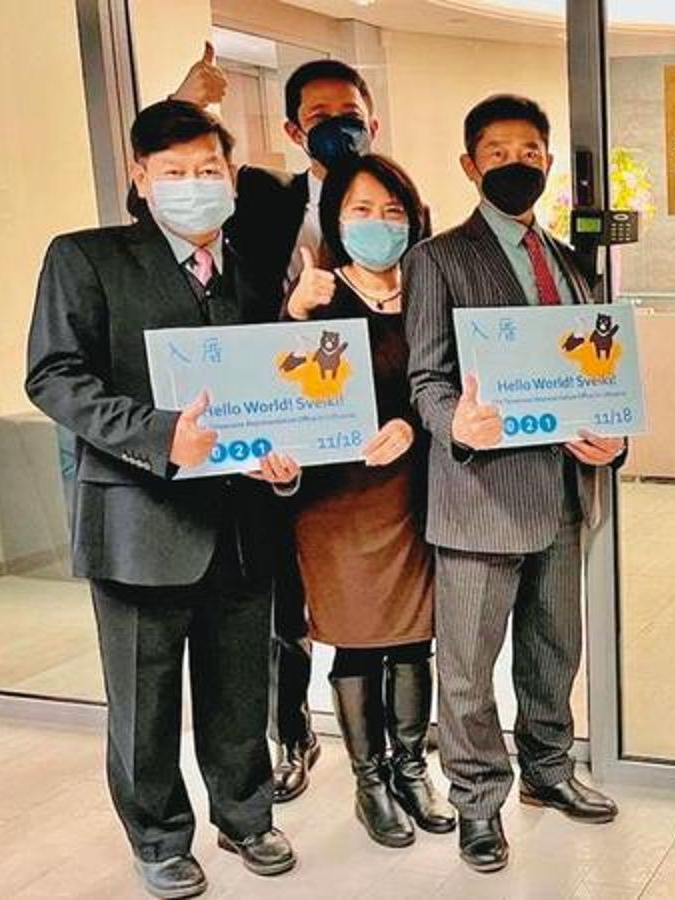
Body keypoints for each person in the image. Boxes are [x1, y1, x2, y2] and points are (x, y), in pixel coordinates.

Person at [25, 100, 301, 899]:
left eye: (208, 169)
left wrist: (286, 461)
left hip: (243, 522)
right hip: (138, 521)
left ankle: (246, 815)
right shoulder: (86, 258)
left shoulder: (255, 268)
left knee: (239, 687)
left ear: (232, 178)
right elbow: (54, 376)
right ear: (139, 179)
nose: (193, 184)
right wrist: (158, 435)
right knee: (145, 700)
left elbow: (277, 385)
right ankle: (158, 836)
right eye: (173, 171)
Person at [404, 93, 626, 874]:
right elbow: (426, 377)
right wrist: (456, 426)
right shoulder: (437, 259)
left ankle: (548, 768)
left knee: (554, 649)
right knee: (468, 667)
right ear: (471, 166)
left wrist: (613, 440)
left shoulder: (569, 261)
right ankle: (476, 801)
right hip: (479, 498)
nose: (515, 165)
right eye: (498, 153)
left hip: (564, 490)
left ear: (549, 163)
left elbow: (599, 374)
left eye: (530, 152)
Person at [171, 49, 383, 802]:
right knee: (281, 603)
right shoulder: (261, 201)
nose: (338, 127)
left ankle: (384, 754)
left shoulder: (395, 205)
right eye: (320, 116)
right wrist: (189, 103)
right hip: (284, 434)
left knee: (370, 597)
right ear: (294, 130)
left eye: (349, 114)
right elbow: (161, 196)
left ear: (372, 119)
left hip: (369, 445)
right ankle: (292, 733)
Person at [282, 154, 457, 848]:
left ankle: (412, 770)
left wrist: (412, 426)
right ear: (335, 219)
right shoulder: (318, 293)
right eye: (361, 210)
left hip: (415, 495)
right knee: (356, 640)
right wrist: (293, 314)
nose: (378, 223)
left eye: (393, 211)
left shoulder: (430, 289)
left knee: (415, 636)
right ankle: (370, 781)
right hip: (337, 505)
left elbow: (447, 382)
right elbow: (279, 391)